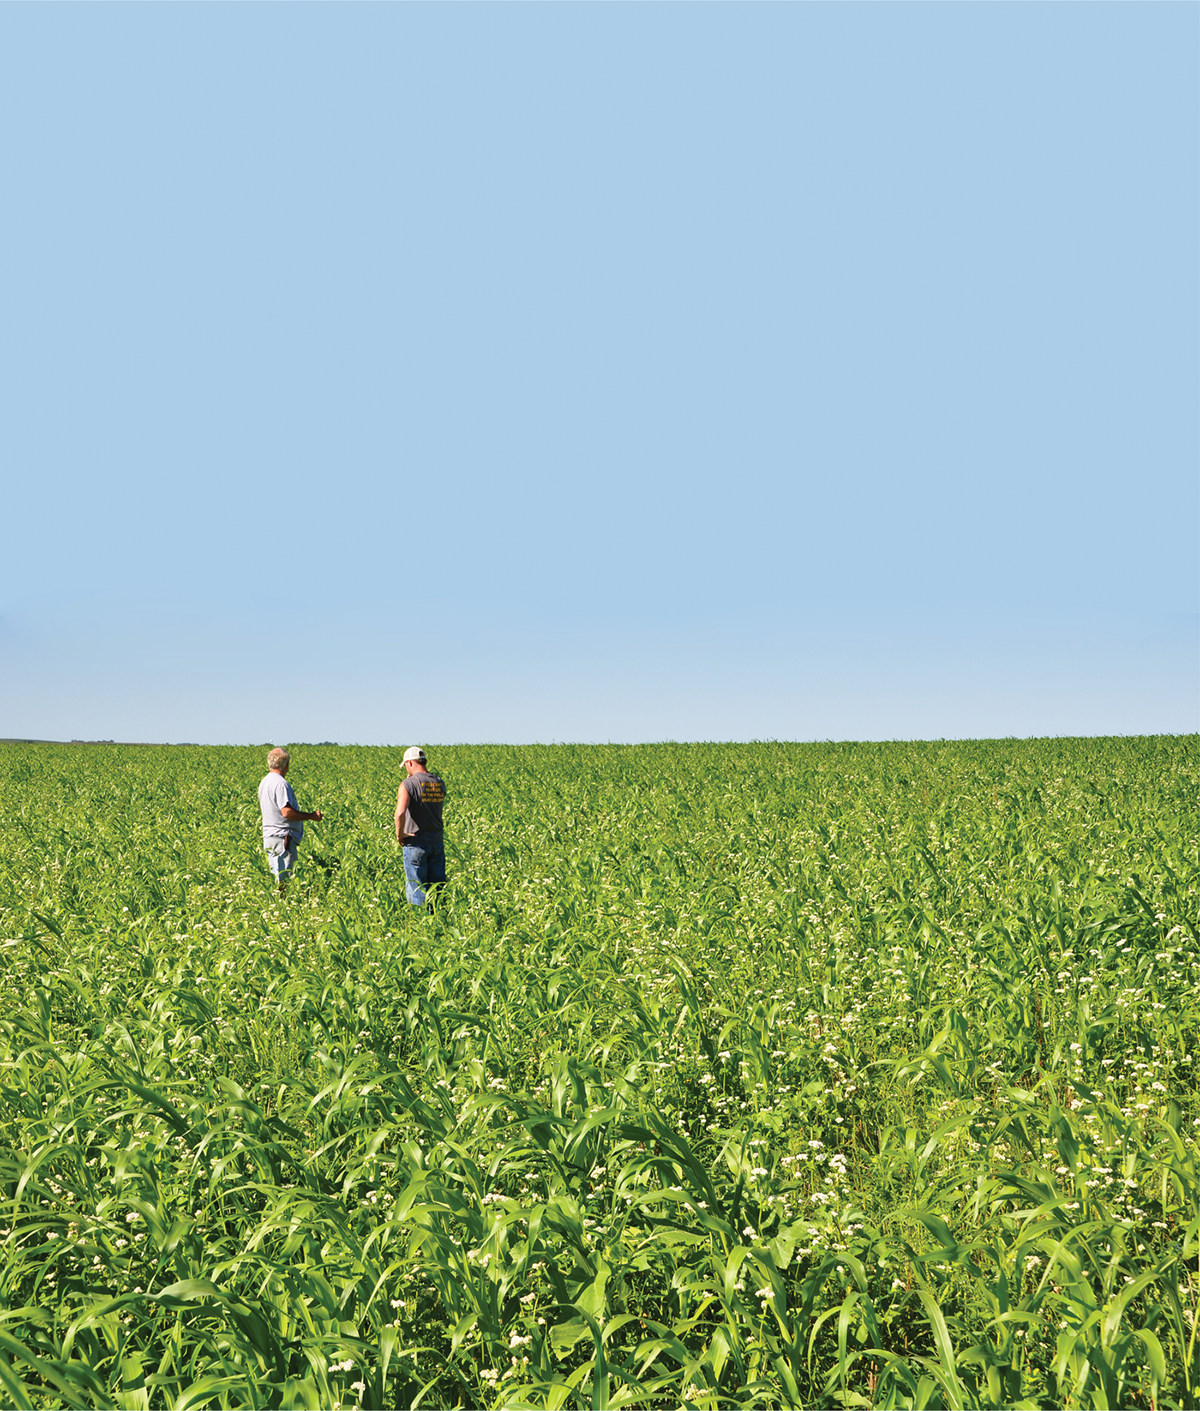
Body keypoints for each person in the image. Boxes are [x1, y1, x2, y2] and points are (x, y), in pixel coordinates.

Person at [258, 747, 322, 891]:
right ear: (286, 764)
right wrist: (310, 816)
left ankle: (278, 906)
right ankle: (283, 906)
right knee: (284, 879)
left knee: (276, 876)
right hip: (283, 837)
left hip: (270, 836)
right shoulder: (281, 784)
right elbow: (286, 812)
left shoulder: (265, 782)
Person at [395, 746, 447, 907]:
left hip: (415, 843)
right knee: (437, 888)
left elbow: (400, 814)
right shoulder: (439, 782)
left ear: (410, 763)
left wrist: (400, 834)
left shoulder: (408, 784)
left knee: (417, 889)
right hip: (437, 842)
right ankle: (439, 921)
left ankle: (421, 926)